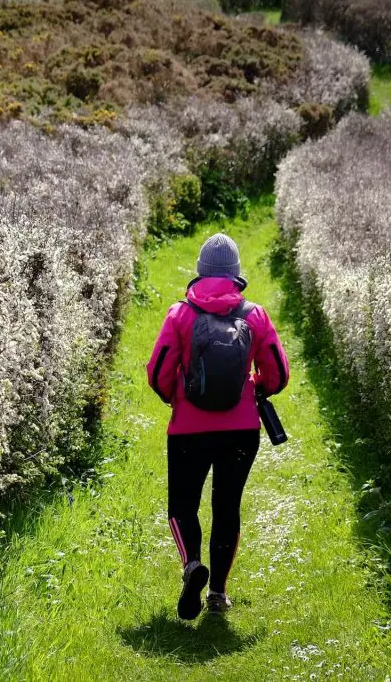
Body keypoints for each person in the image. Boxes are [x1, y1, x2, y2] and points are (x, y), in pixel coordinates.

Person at [146, 233, 290, 619]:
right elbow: (278, 373)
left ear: (200, 272)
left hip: (188, 431)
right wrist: (254, 386)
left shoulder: (180, 314)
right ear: (236, 274)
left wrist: (178, 396)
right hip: (241, 430)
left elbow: (158, 371)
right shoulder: (254, 315)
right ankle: (217, 594)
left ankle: (192, 565)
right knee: (227, 508)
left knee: (182, 506)